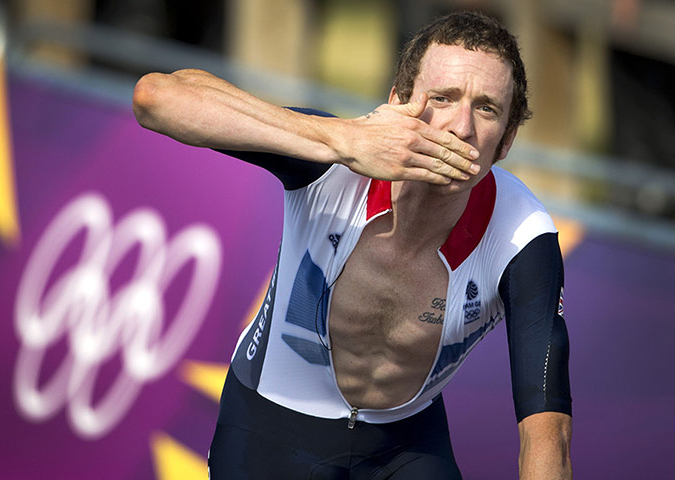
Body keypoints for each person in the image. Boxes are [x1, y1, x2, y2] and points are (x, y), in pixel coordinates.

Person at [133, 11, 572, 480]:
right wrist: (340, 138)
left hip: (405, 444)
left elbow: (548, 433)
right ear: (397, 103)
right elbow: (155, 98)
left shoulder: (522, 235)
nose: (460, 129)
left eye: (486, 109)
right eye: (441, 98)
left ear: (506, 140)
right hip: (272, 423)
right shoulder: (335, 157)